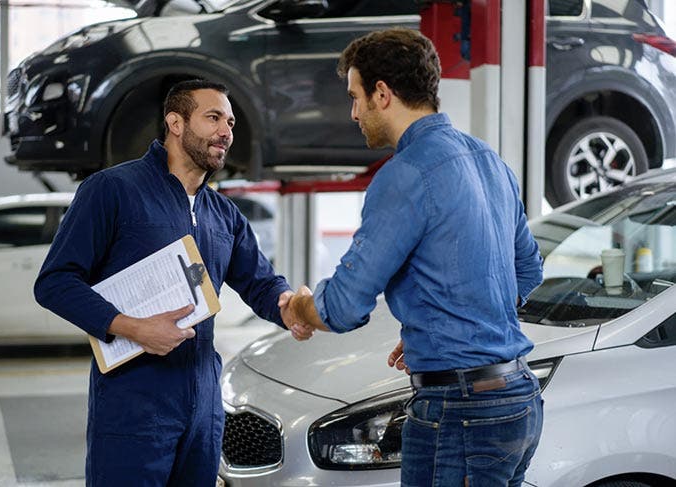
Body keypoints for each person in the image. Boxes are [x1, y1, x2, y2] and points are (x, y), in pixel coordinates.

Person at [282, 28, 544, 486]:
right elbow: (528, 271)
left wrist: (299, 305)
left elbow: (343, 307)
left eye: (356, 97)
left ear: (382, 94)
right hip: (518, 400)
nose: (353, 113)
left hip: (461, 412)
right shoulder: (489, 161)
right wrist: (450, 325)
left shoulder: (405, 174)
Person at [34, 79, 311, 486]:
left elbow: (261, 283)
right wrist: (132, 328)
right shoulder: (113, 190)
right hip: (134, 400)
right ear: (175, 123)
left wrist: (290, 305)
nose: (226, 132)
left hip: (202, 403)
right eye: (213, 117)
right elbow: (55, 282)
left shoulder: (224, 214)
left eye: (231, 122)